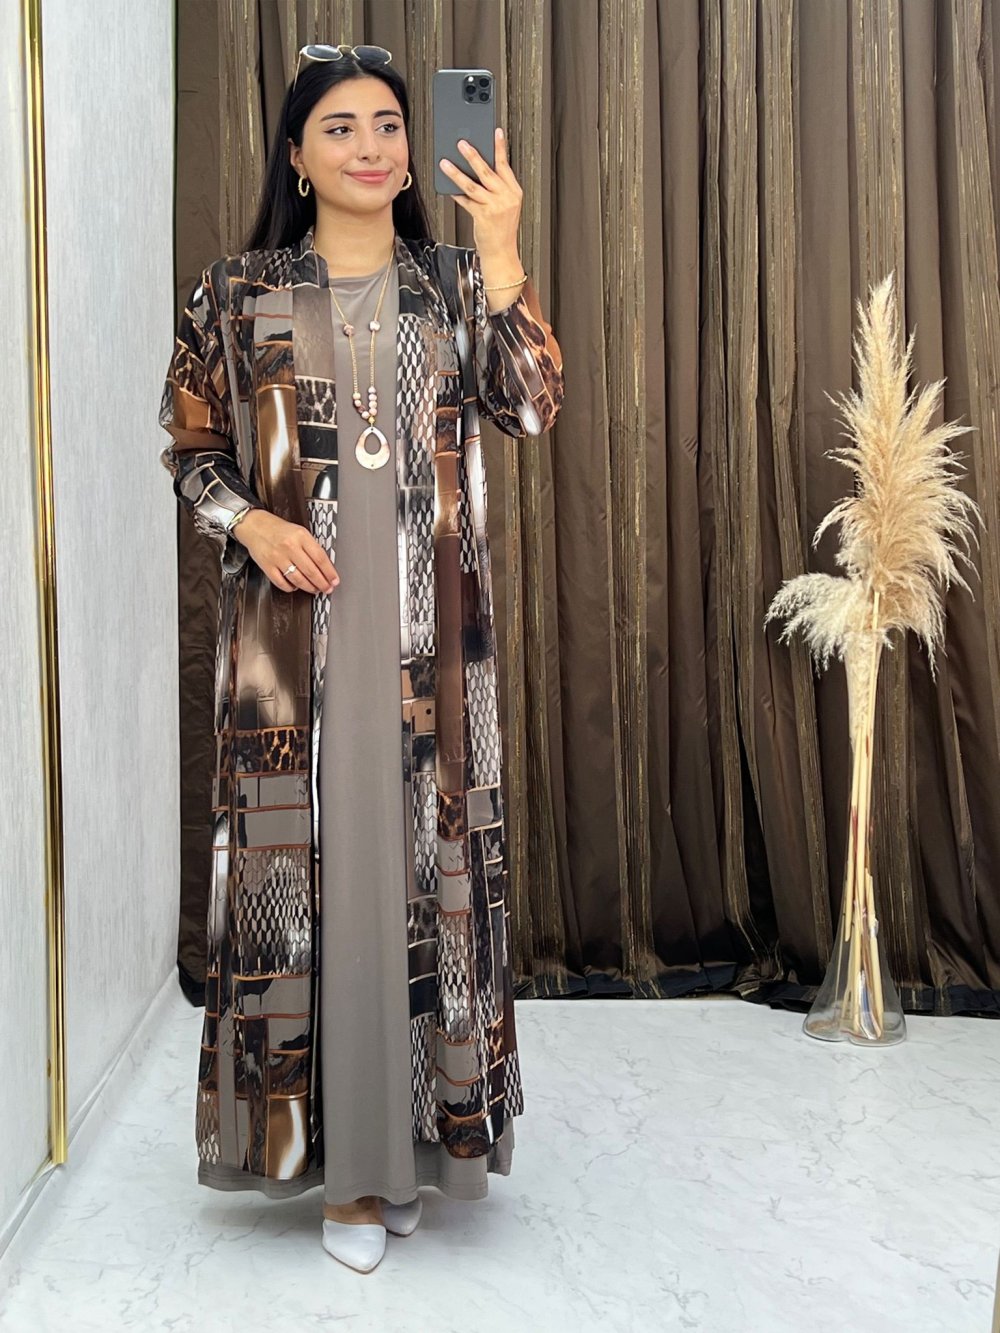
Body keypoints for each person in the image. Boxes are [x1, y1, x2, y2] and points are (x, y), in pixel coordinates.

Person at [158, 43, 564, 1273]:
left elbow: (528, 406)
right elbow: (189, 449)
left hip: (438, 650)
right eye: (339, 127)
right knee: (307, 891)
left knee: (425, 887)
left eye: (388, 125)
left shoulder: (453, 281)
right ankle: (342, 1174)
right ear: (296, 155)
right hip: (293, 651)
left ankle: (416, 1147)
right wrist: (254, 522)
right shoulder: (236, 293)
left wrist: (503, 254)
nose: (371, 146)